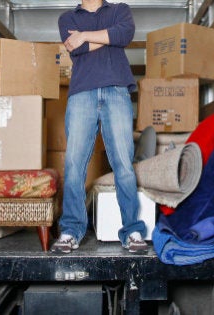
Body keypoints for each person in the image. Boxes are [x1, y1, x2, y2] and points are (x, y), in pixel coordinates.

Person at [51, 0, 148, 254]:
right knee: (74, 163)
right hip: (82, 93)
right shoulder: (67, 18)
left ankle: (132, 230)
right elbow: (77, 51)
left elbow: (123, 35)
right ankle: (71, 231)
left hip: (117, 90)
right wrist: (106, 38)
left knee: (123, 164)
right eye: (81, 32)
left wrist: (84, 36)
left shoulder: (120, 10)